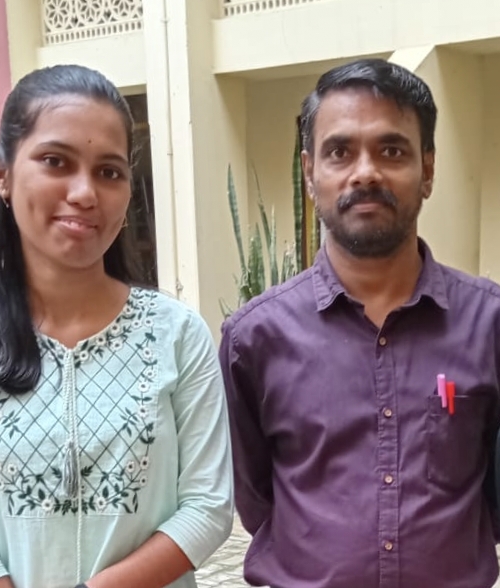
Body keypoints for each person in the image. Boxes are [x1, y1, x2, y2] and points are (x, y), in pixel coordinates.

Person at [0, 64, 233, 588]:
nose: (85, 192)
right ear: (1, 173)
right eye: (55, 162)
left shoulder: (175, 333)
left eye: (109, 172)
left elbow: (207, 507)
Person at [219, 58, 500, 588]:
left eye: (391, 151)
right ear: (310, 173)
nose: (365, 172)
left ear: (428, 170)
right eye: (340, 152)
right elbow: (255, 498)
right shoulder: (254, 338)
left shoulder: (489, 324)